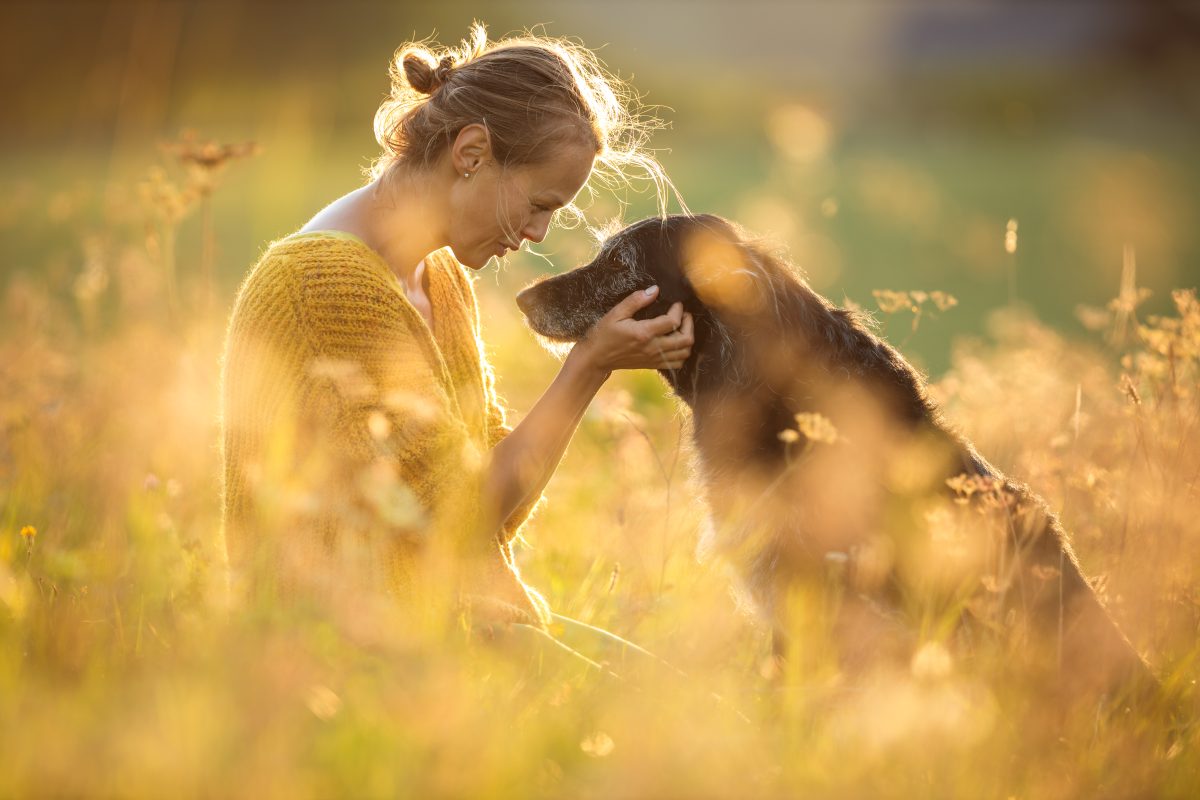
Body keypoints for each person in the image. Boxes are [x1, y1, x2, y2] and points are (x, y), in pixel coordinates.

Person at [219, 24, 694, 646]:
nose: (539, 234)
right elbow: (461, 522)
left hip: (453, 624)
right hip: (347, 652)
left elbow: (491, 508)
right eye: (540, 203)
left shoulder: (439, 276)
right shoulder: (324, 283)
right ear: (470, 153)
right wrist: (588, 367)